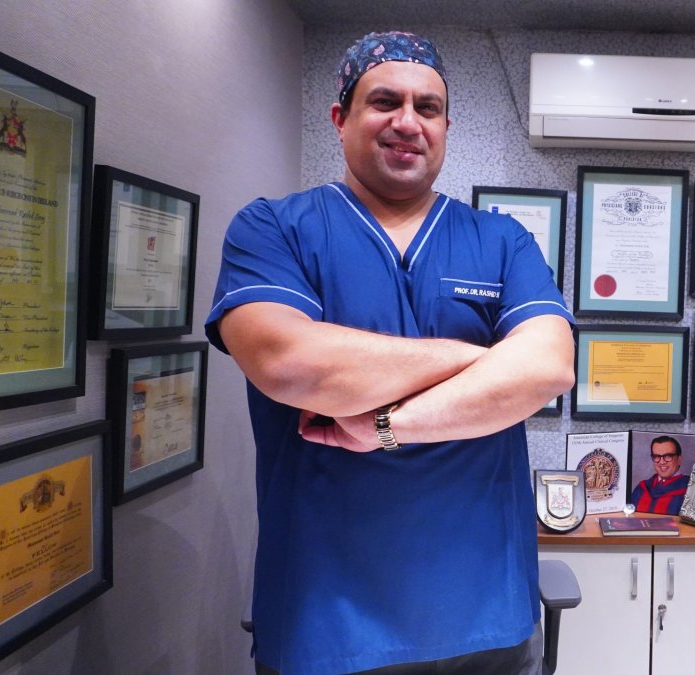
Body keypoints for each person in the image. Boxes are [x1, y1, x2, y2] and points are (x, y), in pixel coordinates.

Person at [205, 31, 574, 675]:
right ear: (340, 117)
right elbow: (290, 365)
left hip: (488, 616)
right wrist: (481, 358)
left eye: (427, 108)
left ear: (446, 127)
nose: (408, 122)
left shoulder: (501, 239)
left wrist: (383, 425)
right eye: (384, 102)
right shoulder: (273, 228)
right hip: (326, 621)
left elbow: (546, 368)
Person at [628, 435, 688, 515]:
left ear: (679, 460)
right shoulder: (642, 488)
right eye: (657, 457)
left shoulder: (689, 490)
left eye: (668, 456)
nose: (662, 462)